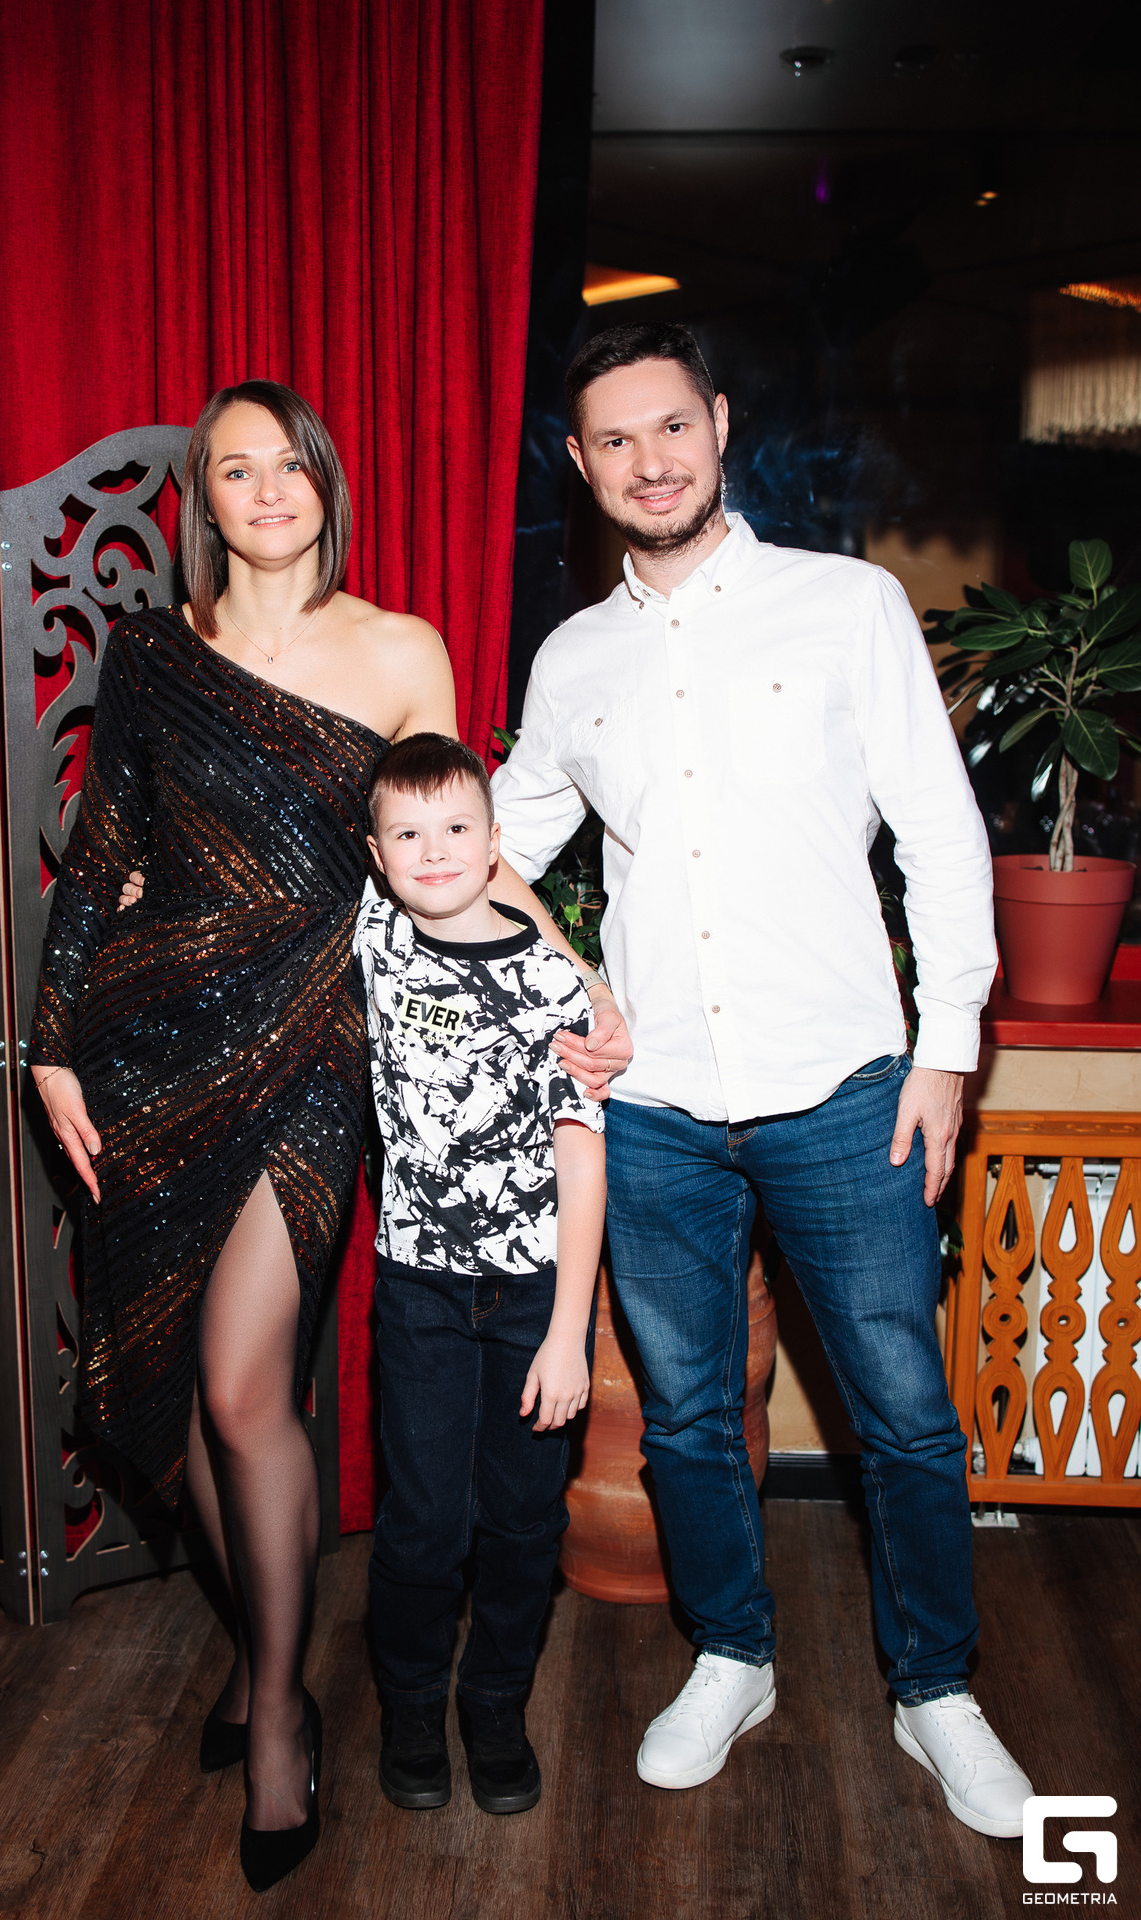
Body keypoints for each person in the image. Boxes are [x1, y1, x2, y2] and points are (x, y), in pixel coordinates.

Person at [30, 380, 627, 1892]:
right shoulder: (152, 654)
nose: (267, 488)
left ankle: (284, 1713)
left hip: (310, 1045)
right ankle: (259, 1657)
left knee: (246, 1393)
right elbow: (102, 854)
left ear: (325, 483)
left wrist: (574, 977)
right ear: (205, 499)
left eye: (289, 463)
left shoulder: (401, 648)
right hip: (150, 1046)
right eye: (236, 469)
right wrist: (49, 1045)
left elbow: (463, 843)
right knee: (171, 1402)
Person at [490, 322, 1035, 1839]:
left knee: (903, 1414)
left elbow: (938, 832)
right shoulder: (574, 658)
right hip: (654, 1104)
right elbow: (497, 853)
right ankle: (732, 1654)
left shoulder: (846, 605)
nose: (649, 460)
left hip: (846, 1088)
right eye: (614, 440)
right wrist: (540, 976)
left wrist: (947, 1050)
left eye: (672, 426)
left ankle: (935, 1689)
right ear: (581, 465)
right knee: (681, 1415)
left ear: (721, 425)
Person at [355, 733, 606, 1817]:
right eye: (407, 835)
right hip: (416, 1289)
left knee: (522, 1519)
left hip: (532, 1298)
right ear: (376, 857)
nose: (434, 851)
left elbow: (581, 1161)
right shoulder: (374, 933)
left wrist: (568, 1335)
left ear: (496, 844)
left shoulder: (553, 982)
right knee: (421, 1522)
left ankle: (494, 1702)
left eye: (457, 828)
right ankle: (411, 1705)